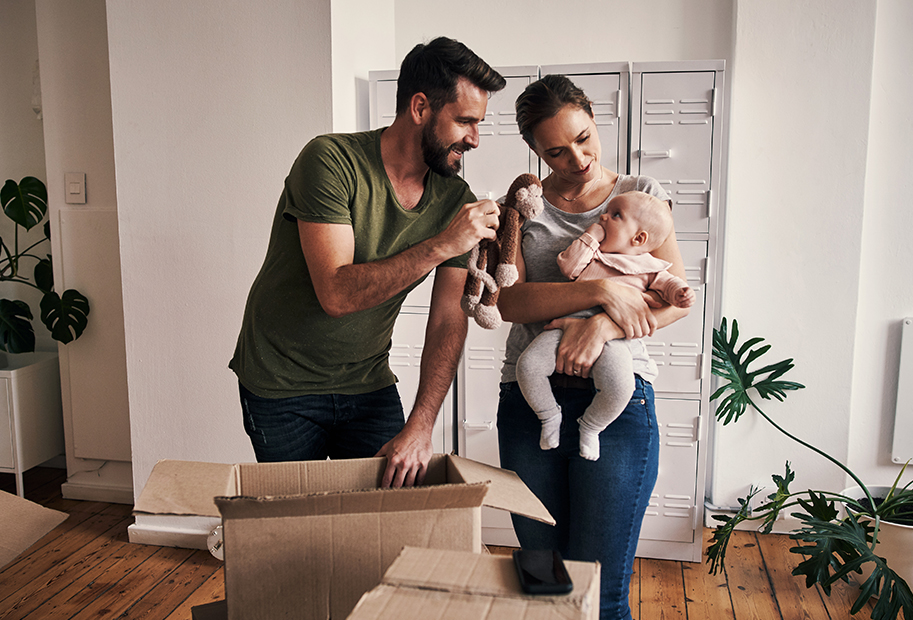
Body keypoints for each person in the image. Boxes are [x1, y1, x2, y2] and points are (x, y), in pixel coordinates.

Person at [229, 37, 505, 489]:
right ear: (420, 108)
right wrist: (442, 243)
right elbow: (336, 294)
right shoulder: (331, 161)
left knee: (389, 518)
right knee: (299, 524)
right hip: (281, 383)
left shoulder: (455, 199)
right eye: (466, 121)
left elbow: (447, 322)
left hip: (367, 380)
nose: (474, 138)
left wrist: (420, 427)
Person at [495, 75, 691, 620]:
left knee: (600, 590)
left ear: (593, 117)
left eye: (583, 138)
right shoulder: (523, 207)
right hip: (530, 402)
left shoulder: (642, 196)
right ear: (534, 150)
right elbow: (508, 303)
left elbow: (674, 298)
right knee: (541, 578)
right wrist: (599, 290)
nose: (577, 158)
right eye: (555, 151)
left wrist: (602, 327)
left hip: (620, 402)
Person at [516, 190, 695, 461]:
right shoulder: (593, 254)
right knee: (528, 366)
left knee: (621, 387)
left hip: (614, 338)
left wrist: (681, 291)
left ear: (639, 238)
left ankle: (591, 427)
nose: (603, 216)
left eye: (615, 215)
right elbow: (568, 265)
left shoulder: (649, 267)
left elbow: (669, 287)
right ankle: (549, 415)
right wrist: (591, 236)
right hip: (567, 325)